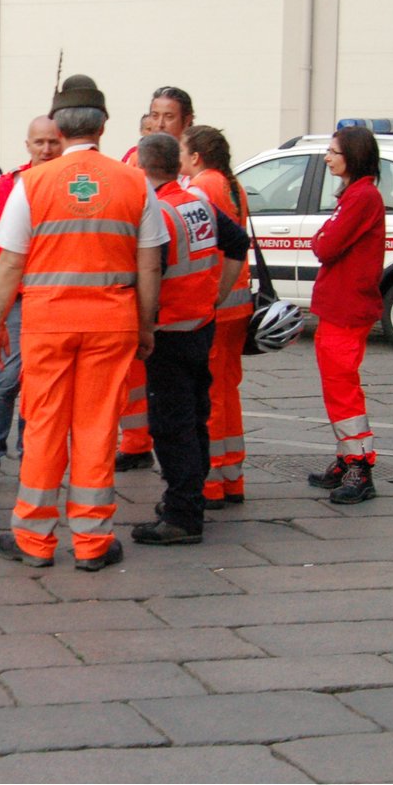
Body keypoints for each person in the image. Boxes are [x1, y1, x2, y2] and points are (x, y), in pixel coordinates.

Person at [0, 74, 166, 570]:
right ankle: (91, 542)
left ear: (58, 129)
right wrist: (146, 325)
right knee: (96, 427)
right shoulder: (135, 181)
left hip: (46, 322)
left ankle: (33, 539)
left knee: (44, 424)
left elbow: (9, 263)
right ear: (103, 126)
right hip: (112, 322)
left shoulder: (31, 183)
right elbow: (149, 263)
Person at [129, 134, 248, 545]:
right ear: (176, 165)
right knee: (195, 420)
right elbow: (238, 243)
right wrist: (217, 294)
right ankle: (191, 499)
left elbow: (151, 274)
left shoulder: (156, 212)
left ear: (142, 169)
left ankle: (182, 515)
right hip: (201, 325)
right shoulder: (196, 202)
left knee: (171, 426)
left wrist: (142, 326)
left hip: (169, 332)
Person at [0, 115, 65, 490]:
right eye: (39, 142)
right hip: (21, 298)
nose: (46, 149)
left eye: (53, 142)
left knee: (40, 383)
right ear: (27, 145)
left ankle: (31, 455)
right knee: (5, 380)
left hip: (59, 297)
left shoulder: (71, 182)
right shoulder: (10, 184)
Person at [114, 88, 191, 474]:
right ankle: (135, 442)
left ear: (186, 121)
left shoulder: (192, 165)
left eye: (168, 117)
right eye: (154, 116)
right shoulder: (132, 158)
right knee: (134, 375)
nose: (160, 123)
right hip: (140, 285)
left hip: (178, 297)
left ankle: (167, 449)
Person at [307, 127, 386, 505]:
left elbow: (327, 244)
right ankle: (346, 457)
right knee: (337, 385)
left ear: (351, 156)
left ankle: (359, 465)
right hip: (342, 303)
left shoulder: (361, 196)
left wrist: (321, 239)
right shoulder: (357, 194)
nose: (327, 157)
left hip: (346, 306)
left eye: (333, 151)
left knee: (342, 388)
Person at [181, 124, 253, 507]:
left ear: (195, 156)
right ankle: (232, 477)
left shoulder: (200, 187)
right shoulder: (232, 185)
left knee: (209, 395)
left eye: (182, 151)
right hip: (238, 304)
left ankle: (209, 483)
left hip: (215, 301)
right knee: (228, 390)